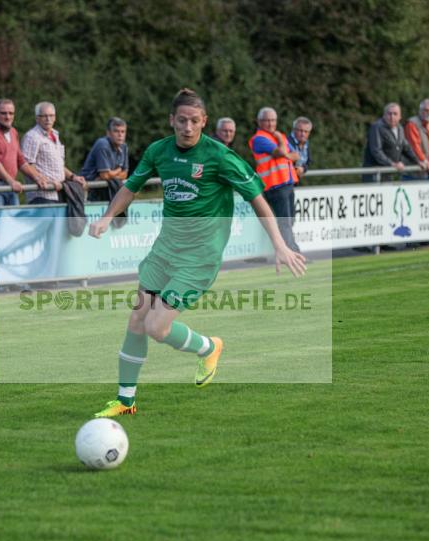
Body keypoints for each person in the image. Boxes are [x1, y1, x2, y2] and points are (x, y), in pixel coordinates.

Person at [88, 88, 306, 418]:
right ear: (171, 120)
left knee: (156, 327)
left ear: (204, 121)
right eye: (181, 120)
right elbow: (131, 186)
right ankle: (125, 400)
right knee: (137, 319)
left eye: (194, 121)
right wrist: (106, 217)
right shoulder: (159, 151)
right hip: (165, 250)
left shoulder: (219, 156)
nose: (187, 127)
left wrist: (279, 243)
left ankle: (209, 347)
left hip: (200, 257)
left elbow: (257, 199)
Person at [0, 98, 51, 207]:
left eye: (11, 113)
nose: (8, 117)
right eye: (3, 113)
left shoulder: (13, 132)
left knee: (12, 223)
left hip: (11, 186)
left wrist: (37, 177)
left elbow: (20, 160)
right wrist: (11, 181)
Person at [248, 107, 301, 252]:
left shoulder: (280, 136)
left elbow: (296, 155)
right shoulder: (259, 138)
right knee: (285, 222)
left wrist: (286, 154)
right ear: (259, 122)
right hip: (275, 186)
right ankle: (293, 253)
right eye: (266, 120)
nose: (270, 124)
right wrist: (281, 143)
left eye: (273, 120)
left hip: (287, 184)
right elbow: (280, 153)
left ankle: (286, 252)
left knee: (290, 221)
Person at [21, 101, 87, 204]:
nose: (48, 119)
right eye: (44, 116)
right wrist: (47, 182)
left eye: (51, 115)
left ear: (55, 117)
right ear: (37, 118)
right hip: (41, 196)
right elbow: (27, 165)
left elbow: (59, 165)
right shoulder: (32, 136)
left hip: (59, 193)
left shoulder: (55, 135)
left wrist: (73, 177)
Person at [362, 103, 421, 182]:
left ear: (400, 117)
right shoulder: (376, 127)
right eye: (389, 114)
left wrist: (418, 161)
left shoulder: (400, 128)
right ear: (384, 115)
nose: (392, 117)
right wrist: (392, 164)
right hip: (374, 173)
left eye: (395, 114)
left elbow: (406, 148)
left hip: (388, 172)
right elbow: (376, 151)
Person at [80, 117, 129, 202]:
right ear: (108, 133)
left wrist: (110, 174)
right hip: (89, 190)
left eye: (123, 131)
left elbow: (125, 174)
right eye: (116, 131)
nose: (120, 135)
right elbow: (105, 175)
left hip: (107, 189)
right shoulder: (102, 144)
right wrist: (118, 171)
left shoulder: (124, 146)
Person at [287, 116, 313, 181]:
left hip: (295, 181)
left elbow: (309, 162)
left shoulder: (306, 143)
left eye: (306, 131)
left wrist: (303, 168)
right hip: (285, 182)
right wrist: (295, 169)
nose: (303, 134)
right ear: (294, 129)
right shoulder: (287, 142)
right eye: (300, 131)